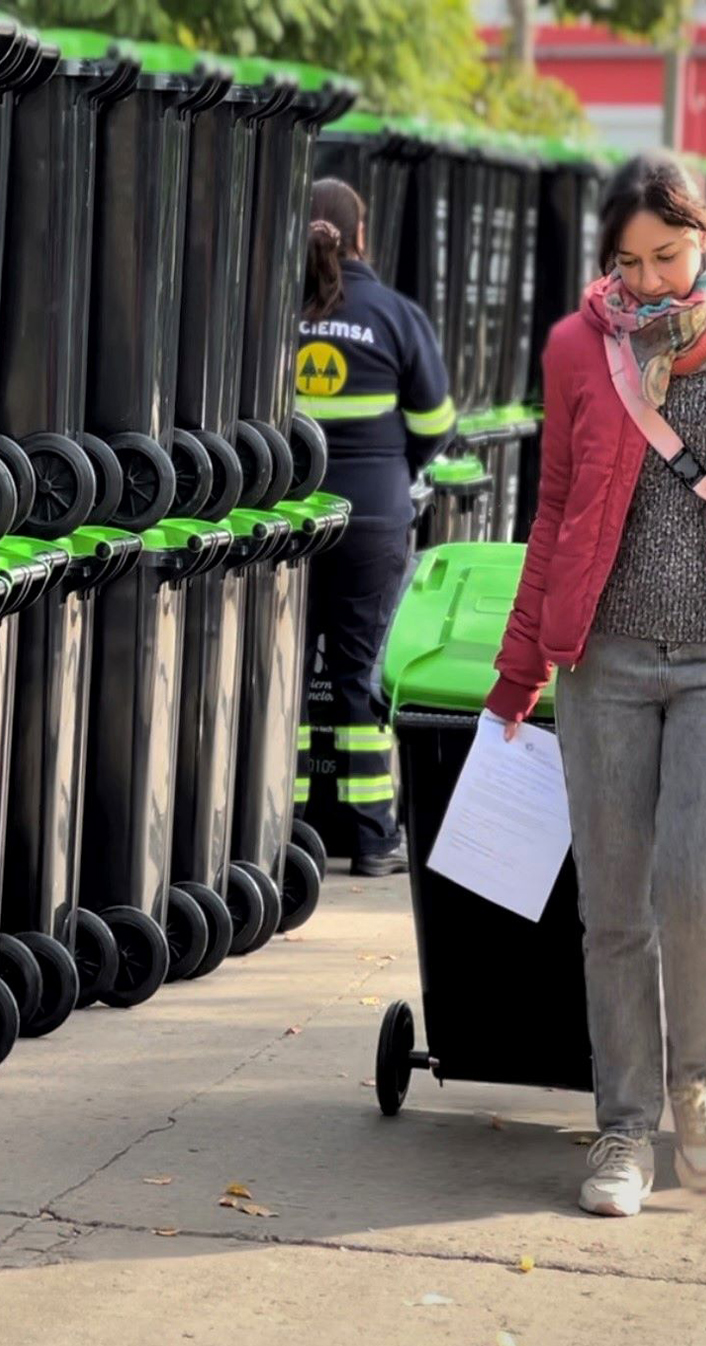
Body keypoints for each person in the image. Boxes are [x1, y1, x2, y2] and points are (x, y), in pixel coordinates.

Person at [484, 153, 706, 1217]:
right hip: (605, 655)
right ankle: (622, 1129)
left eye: (668, 255)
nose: (647, 281)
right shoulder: (576, 347)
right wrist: (519, 670)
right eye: (628, 263)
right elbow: (550, 512)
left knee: (698, 883)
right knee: (612, 908)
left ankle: (698, 1081)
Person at [295, 177, 455, 878]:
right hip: (372, 519)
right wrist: (394, 468)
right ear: (361, 237)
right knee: (358, 676)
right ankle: (370, 839)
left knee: (283, 680)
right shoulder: (392, 314)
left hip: (287, 523)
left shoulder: (277, 312)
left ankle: (282, 834)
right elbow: (436, 424)